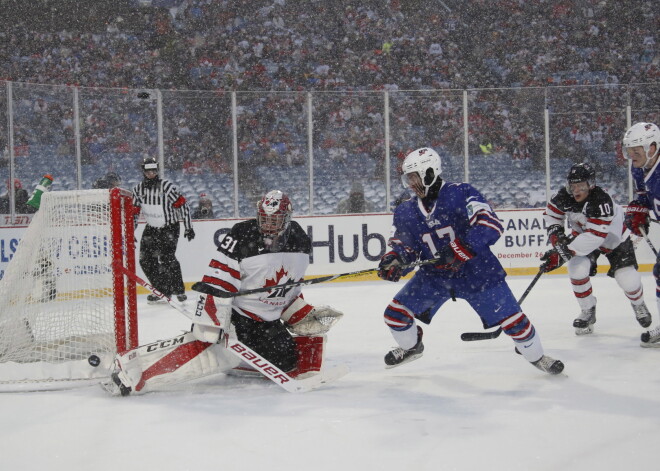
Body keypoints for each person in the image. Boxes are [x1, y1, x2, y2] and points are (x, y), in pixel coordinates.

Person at [103, 190, 343, 395]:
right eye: (264, 218)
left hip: (267, 321)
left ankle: (241, 360)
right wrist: (213, 322)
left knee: (287, 362)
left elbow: (290, 285)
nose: (268, 225)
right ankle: (133, 374)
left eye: (275, 220)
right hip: (239, 316)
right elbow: (217, 279)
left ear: (287, 218)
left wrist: (295, 310)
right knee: (207, 349)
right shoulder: (242, 234)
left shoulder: (299, 239)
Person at [377, 147, 564, 374]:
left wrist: (459, 249)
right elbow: (405, 244)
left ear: (430, 172)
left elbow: (490, 224)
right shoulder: (405, 210)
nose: (411, 184)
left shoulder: (461, 193)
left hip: (477, 272)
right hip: (435, 276)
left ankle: (537, 357)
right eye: (408, 178)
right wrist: (395, 258)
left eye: (415, 177)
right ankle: (412, 347)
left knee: (515, 322)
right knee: (395, 315)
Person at [540, 162, 652, 335]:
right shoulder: (563, 196)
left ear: (590, 185)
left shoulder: (600, 200)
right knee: (576, 269)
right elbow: (552, 216)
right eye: (573, 185)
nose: (576, 190)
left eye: (581, 186)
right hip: (584, 236)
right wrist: (557, 238)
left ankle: (639, 304)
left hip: (614, 240)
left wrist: (562, 253)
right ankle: (588, 310)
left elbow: (595, 237)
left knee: (627, 280)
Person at [132, 157, 195, 303]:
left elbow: (182, 206)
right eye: (148, 171)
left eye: (153, 171)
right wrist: (131, 230)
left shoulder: (167, 187)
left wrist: (188, 227)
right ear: (143, 171)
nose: (151, 174)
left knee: (167, 258)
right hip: (151, 228)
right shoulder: (137, 190)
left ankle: (178, 289)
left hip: (170, 227)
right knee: (145, 260)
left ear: (157, 171)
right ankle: (161, 289)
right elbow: (134, 212)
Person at [621, 122, 660, 347]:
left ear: (652, 148)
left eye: (636, 151)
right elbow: (644, 196)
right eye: (629, 151)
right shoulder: (639, 168)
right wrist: (639, 207)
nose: (632, 156)